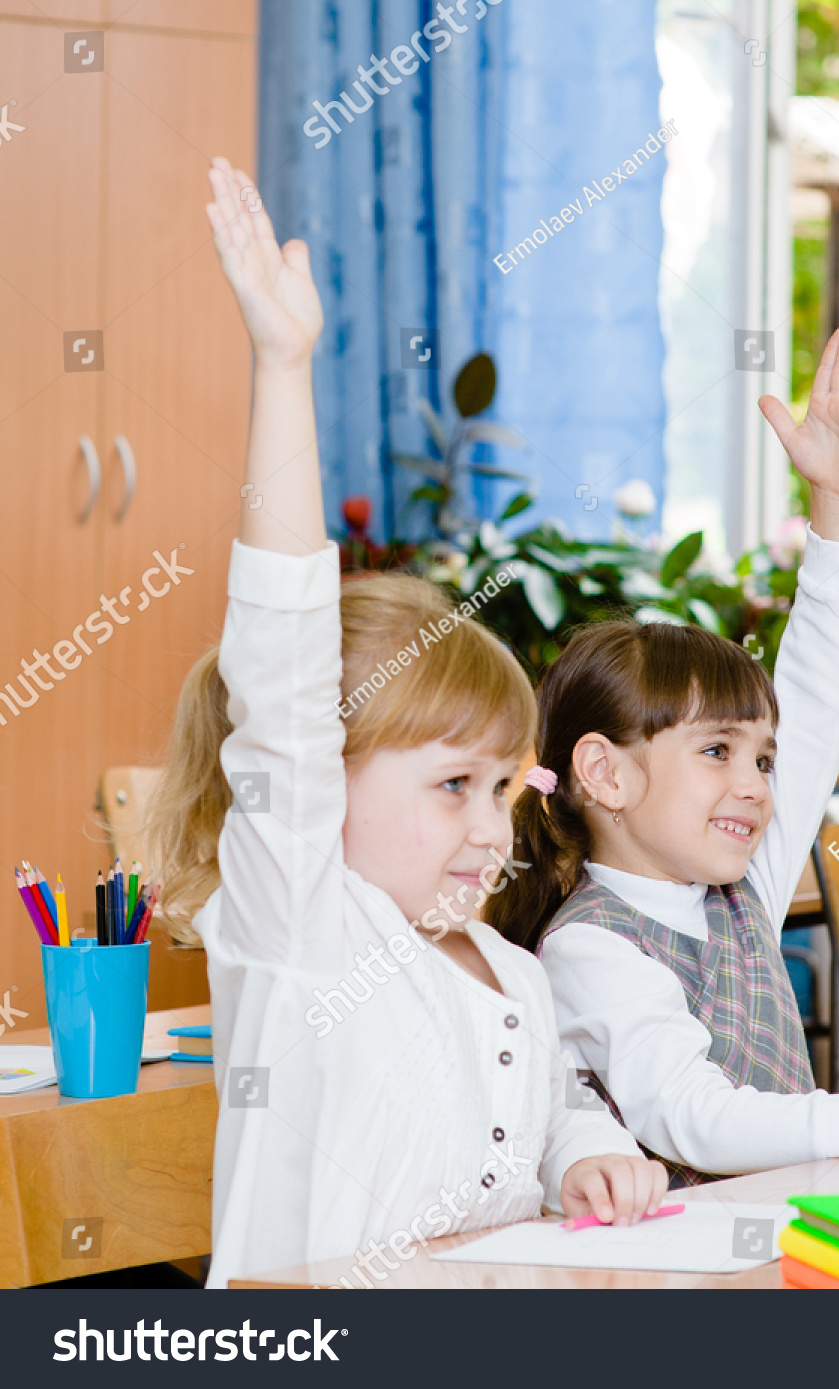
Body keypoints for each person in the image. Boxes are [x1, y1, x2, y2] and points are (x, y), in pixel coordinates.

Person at [163, 158, 664, 1288]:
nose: (495, 829)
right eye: (453, 787)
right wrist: (283, 366)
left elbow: (551, 1112)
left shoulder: (509, 969)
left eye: (504, 788)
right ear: (324, 780)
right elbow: (283, 686)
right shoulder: (302, 931)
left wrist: (591, 1153)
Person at [490, 324, 839, 1182]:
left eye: (761, 758)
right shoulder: (587, 949)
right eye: (717, 750)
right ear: (604, 772)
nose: (754, 784)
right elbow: (697, 1119)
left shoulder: (739, 881)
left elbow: (821, 691)